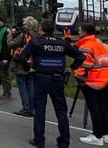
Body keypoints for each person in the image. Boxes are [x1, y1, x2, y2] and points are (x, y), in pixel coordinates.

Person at [15, 19, 85, 148]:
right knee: (61, 111)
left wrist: (27, 68)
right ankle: (64, 142)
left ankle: (39, 140)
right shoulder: (62, 43)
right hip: (57, 80)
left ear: (41, 29)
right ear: (53, 30)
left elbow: (22, 56)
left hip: (40, 79)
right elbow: (81, 56)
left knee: (40, 110)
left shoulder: (36, 42)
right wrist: (71, 68)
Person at [74, 23, 108, 146]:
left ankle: (97, 136)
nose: (79, 33)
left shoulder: (86, 47)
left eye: (80, 31)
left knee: (94, 108)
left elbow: (85, 66)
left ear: (84, 32)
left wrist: (80, 79)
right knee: (101, 107)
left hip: (90, 81)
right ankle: (105, 134)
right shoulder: (100, 46)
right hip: (102, 80)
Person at [8, 16, 39, 117]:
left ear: (29, 25)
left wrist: (10, 35)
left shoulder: (24, 35)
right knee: (30, 86)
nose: (22, 26)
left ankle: (26, 108)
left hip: (21, 64)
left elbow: (11, 44)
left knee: (22, 87)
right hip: (32, 65)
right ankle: (32, 108)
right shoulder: (37, 35)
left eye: (24, 24)